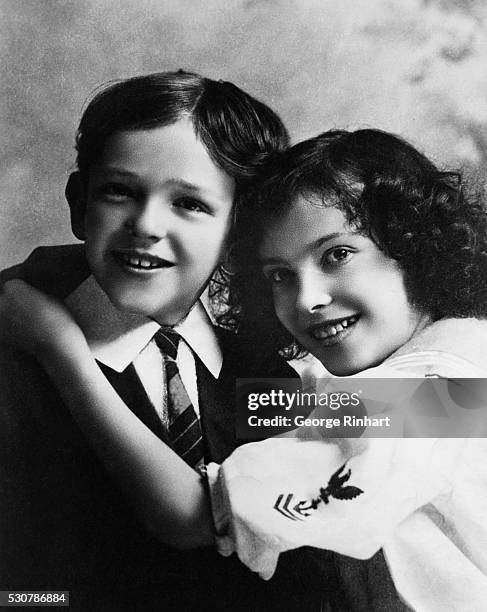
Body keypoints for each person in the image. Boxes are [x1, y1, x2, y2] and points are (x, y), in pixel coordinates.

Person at [2, 128, 486, 609]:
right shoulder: (444, 365)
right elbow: (288, 405)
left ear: (414, 243)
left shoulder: (446, 396)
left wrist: (61, 349)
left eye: (337, 254)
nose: (307, 299)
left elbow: (190, 515)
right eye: (280, 275)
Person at [0, 70, 328, 612]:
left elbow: (454, 409)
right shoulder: (16, 351)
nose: (146, 224)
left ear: (239, 234)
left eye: (190, 204)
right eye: (119, 192)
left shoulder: (262, 368)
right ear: (80, 203)